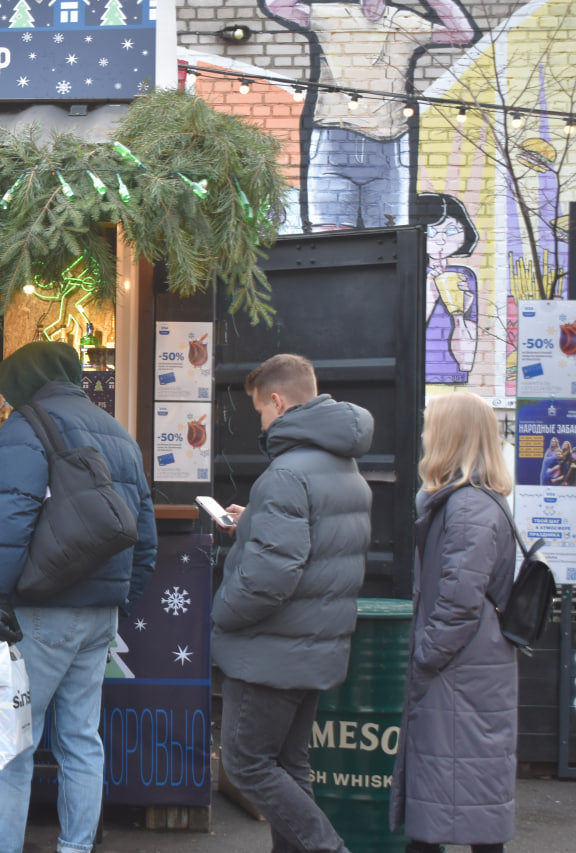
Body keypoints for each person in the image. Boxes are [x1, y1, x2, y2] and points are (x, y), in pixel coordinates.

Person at [0, 341, 158, 853]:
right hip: (100, 613)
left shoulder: (25, 427)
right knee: (82, 741)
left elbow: (9, 516)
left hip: (42, 612)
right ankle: (77, 847)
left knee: (12, 746)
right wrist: (121, 600)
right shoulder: (120, 433)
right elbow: (144, 536)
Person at [211, 353, 372, 853]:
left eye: (260, 410)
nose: (261, 420)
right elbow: (314, 546)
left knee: (246, 764)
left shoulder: (285, 475)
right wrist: (255, 518)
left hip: (270, 651)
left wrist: (221, 614)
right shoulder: (342, 463)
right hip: (314, 644)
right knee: (288, 764)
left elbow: (270, 576)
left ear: (278, 402)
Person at [389, 392, 517, 853]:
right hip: (471, 675)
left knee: (446, 812)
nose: (423, 434)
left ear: (450, 436)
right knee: (462, 806)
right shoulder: (474, 502)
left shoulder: (467, 508)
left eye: (430, 426)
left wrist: (424, 659)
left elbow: (459, 604)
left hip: (457, 677)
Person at [260, 0, 477, 229]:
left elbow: (462, 34)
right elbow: (276, 5)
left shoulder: (404, 22)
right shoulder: (331, 14)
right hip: (334, 137)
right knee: (327, 236)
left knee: (392, 240)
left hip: (390, 144)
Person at [414, 193, 480, 384]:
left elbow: (466, 362)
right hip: (414, 379)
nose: (441, 241)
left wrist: (460, 314)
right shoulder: (409, 272)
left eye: (451, 231)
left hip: (452, 376)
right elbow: (402, 339)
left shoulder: (462, 277)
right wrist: (429, 299)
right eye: (432, 232)